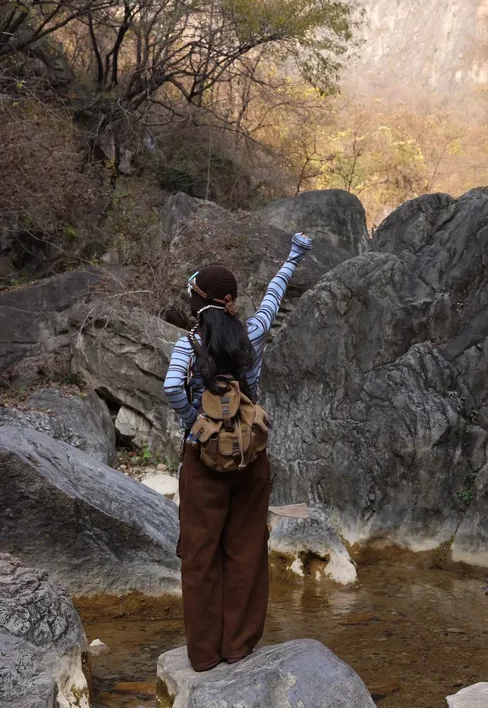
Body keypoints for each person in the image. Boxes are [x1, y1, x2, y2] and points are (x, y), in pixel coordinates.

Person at [163, 231, 313, 672]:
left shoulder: (188, 344)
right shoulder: (253, 332)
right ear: (230, 301)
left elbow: (172, 386)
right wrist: (294, 256)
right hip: (250, 457)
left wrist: (195, 424)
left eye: (193, 294)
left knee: (200, 554)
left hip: (202, 460)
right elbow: (274, 295)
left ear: (201, 301)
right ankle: (238, 646)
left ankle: (204, 655)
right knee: (246, 548)